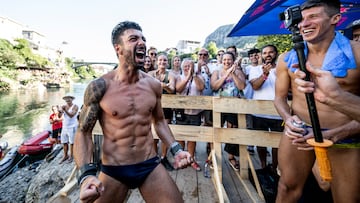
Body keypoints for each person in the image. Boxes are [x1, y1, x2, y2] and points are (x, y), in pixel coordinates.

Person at [74, 21, 192, 203]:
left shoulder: (153, 85)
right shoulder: (99, 87)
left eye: (143, 38)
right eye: (133, 39)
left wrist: (176, 150)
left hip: (149, 165)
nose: (142, 42)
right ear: (118, 49)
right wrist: (86, 175)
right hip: (114, 169)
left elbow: (159, 122)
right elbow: (83, 132)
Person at [274, 1, 360, 202]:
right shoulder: (287, 58)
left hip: (346, 136)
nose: (304, 23)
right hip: (300, 132)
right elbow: (279, 98)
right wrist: (288, 119)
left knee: (348, 199)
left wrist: (340, 132)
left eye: (313, 17)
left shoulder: (357, 53)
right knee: (287, 187)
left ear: (335, 19)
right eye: (302, 18)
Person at [248, 45, 283, 174]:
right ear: (261, 55)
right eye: (265, 53)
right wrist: (265, 74)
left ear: (276, 53)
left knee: (277, 143)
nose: (268, 55)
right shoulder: (256, 69)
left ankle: (274, 167)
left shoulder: (282, 69)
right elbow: (255, 86)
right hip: (260, 111)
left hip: (278, 113)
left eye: (271, 52)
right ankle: (263, 165)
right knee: (260, 141)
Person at [210, 52, 246, 171]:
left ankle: (231, 156)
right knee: (216, 130)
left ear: (233, 60)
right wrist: (226, 75)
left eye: (229, 59)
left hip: (234, 106)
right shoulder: (216, 72)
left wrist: (233, 73)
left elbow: (241, 87)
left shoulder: (239, 72)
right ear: (221, 60)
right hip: (219, 106)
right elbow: (214, 86)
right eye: (224, 59)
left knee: (233, 131)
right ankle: (213, 156)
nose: (226, 62)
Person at [294, 64, 360, 122]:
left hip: (344, 129)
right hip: (301, 127)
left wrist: (334, 134)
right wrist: (287, 118)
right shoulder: (287, 58)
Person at [176, 59, 205, 171]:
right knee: (180, 137)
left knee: (192, 138)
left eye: (190, 66)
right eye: (186, 66)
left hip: (195, 112)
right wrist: (187, 77)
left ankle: (191, 159)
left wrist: (193, 75)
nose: (187, 68)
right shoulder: (179, 77)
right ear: (182, 67)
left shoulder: (199, 76)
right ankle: (181, 159)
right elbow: (178, 89)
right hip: (182, 112)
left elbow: (201, 87)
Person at [148, 53, 176, 171]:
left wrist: (164, 86)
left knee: (165, 130)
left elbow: (172, 89)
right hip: (152, 105)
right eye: (160, 60)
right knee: (152, 132)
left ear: (167, 62)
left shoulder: (171, 75)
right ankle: (154, 157)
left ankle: (164, 157)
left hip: (166, 107)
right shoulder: (150, 74)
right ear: (157, 62)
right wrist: (163, 85)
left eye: (164, 60)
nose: (162, 62)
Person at [60, 95, 78, 163]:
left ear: (72, 99)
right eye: (66, 99)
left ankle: (71, 156)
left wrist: (65, 110)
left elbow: (71, 115)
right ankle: (65, 155)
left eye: (69, 99)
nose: (67, 100)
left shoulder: (75, 106)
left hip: (72, 127)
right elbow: (60, 116)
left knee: (71, 142)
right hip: (64, 127)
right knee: (64, 142)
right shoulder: (64, 106)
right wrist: (60, 111)